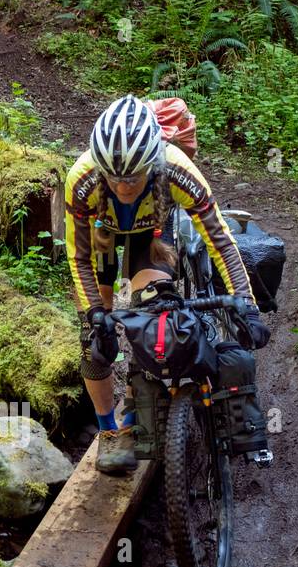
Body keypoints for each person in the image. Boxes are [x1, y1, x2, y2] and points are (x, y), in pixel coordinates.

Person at [65, 94, 270, 475]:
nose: (124, 186)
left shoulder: (177, 170)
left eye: (133, 176)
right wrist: (96, 314)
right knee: (94, 343)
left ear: (151, 162)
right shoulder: (82, 180)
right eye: (115, 178)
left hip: (153, 230)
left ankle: (134, 410)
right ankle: (109, 431)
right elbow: (79, 258)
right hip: (102, 233)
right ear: (100, 168)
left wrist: (247, 302)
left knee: (151, 314)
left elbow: (221, 241)